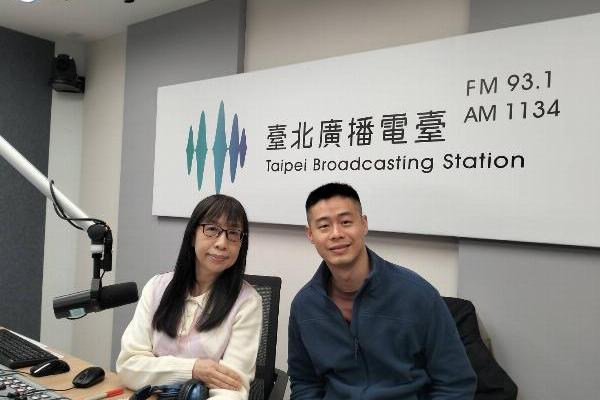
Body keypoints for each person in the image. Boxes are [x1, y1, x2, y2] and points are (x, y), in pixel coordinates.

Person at [288, 183, 477, 399]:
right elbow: (305, 383)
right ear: (310, 234)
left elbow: (455, 384)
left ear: (364, 224)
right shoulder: (305, 305)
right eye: (324, 226)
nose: (336, 234)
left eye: (346, 222)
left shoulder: (418, 295)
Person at [117, 194, 262, 400]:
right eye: (212, 229)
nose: (222, 243)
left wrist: (156, 369)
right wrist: (193, 369)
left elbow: (231, 389)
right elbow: (128, 367)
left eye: (233, 233)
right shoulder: (157, 287)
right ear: (193, 235)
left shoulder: (247, 302)